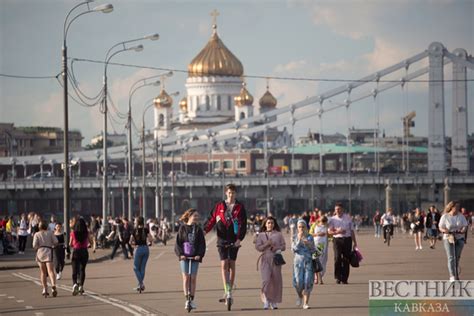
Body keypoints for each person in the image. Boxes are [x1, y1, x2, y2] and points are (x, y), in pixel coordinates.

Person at [204, 183, 247, 305]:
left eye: (233, 192)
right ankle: (226, 289)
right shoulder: (219, 206)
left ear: (236, 193)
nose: (231, 194)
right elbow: (211, 219)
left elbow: (243, 224)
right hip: (222, 239)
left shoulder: (240, 207)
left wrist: (240, 239)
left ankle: (230, 290)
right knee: (224, 264)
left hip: (234, 239)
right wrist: (204, 231)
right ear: (225, 193)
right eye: (229, 192)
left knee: (232, 263)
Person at [175, 209, 206, 310]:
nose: (196, 218)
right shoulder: (182, 228)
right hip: (184, 256)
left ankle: (191, 299)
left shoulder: (198, 229)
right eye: (195, 216)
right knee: (186, 277)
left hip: (195, 256)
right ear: (189, 216)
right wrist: (180, 254)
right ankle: (186, 299)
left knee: (193, 278)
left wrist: (199, 255)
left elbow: (202, 244)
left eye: (197, 216)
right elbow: (178, 242)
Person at [255, 216, 286, 310]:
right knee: (266, 280)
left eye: (272, 223)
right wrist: (266, 244)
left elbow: (284, 246)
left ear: (274, 224)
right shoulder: (261, 235)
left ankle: (274, 301)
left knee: (276, 280)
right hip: (265, 259)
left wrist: (277, 248)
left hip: (276, 259)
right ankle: (266, 300)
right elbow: (258, 248)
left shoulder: (279, 234)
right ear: (265, 224)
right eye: (268, 223)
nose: (270, 225)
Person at [328, 202, 358, 284]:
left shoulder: (348, 218)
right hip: (337, 240)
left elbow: (352, 231)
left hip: (347, 240)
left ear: (342, 209)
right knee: (337, 258)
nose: (337, 211)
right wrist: (338, 232)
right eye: (336, 209)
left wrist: (355, 242)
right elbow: (329, 232)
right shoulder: (332, 219)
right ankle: (338, 277)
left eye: (339, 209)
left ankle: (344, 278)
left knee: (346, 259)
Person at [439, 201, 468, 282]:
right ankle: (452, 276)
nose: (458, 208)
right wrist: (444, 231)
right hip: (448, 238)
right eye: (456, 207)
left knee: (457, 258)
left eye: (459, 207)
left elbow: (465, 226)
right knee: (451, 257)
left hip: (459, 238)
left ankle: (456, 274)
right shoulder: (445, 216)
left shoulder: (461, 216)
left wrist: (463, 230)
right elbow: (440, 227)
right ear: (451, 207)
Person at [292, 219, 315, 309]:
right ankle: (299, 296)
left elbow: (313, 249)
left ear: (306, 227)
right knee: (298, 282)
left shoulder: (310, 237)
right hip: (298, 263)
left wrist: (308, 243)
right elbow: (293, 249)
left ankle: (306, 303)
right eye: (299, 227)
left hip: (308, 262)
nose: (301, 229)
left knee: (307, 281)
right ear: (297, 228)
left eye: (303, 227)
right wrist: (299, 240)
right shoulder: (294, 237)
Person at [32, 220, 58, 297]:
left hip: (40, 252)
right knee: (50, 271)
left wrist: (38, 248)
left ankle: (45, 288)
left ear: (39, 227)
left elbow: (34, 245)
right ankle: (53, 285)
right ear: (47, 226)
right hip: (48, 251)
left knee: (43, 272)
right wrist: (52, 246)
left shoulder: (37, 234)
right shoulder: (50, 233)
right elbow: (56, 242)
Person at [70, 217, 90, 296]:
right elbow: (90, 241)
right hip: (84, 252)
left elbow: (70, 244)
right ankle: (81, 286)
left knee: (74, 269)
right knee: (82, 269)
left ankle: (75, 284)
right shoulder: (86, 233)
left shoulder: (73, 233)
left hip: (76, 251)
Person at [131, 216, 151, 292]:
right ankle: (140, 285)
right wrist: (149, 242)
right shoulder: (145, 230)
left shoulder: (134, 230)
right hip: (146, 249)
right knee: (142, 268)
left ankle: (141, 284)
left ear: (137, 222)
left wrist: (133, 244)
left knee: (135, 268)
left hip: (138, 249)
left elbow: (131, 241)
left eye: (135, 221)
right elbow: (150, 238)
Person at [310, 215, 328, 284]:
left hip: (322, 246)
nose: (322, 222)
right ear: (319, 220)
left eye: (324, 221)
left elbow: (329, 234)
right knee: (316, 260)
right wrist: (317, 234)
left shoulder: (326, 226)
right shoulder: (315, 225)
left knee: (321, 261)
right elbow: (310, 233)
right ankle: (317, 278)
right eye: (322, 221)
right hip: (315, 245)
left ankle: (320, 277)